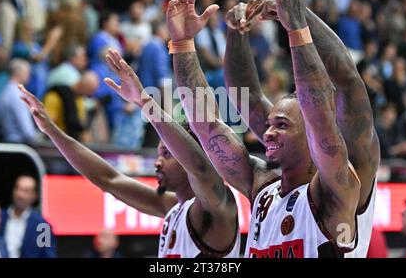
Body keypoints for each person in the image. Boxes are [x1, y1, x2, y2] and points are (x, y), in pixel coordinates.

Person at [168, 0, 377, 259]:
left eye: (281, 125)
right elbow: (211, 124)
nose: (265, 132)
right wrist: (190, 43)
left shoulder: (337, 186)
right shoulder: (263, 187)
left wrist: (298, 21)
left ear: (310, 134)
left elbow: (340, 91)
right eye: (270, 124)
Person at [18, 49, 241, 257]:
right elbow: (108, 179)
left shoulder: (218, 205)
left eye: (167, 154)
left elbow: (200, 168)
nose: (158, 163)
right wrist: (52, 130)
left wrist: (144, 101)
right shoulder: (173, 208)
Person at [0, 175, 57, 258]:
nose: (20, 195)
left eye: (26, 191)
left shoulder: (43, 226)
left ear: (34, 196)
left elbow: (48, 255)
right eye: (18, 189)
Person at [0, 58, 37, 143]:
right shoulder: (17, 95)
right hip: (20, 145)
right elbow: (28, 132)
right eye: (27, 72)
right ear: (19, 73)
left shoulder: (6, 90)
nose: (29, 76)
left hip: (9, 142)